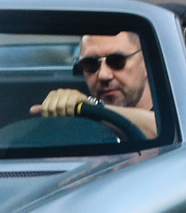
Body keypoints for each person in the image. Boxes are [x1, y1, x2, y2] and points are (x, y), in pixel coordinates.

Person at [30, 30, 159, 139]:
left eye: (117, 61)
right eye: (90, 64)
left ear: (148, 63)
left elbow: (164, 130)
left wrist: (92, 108)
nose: (103, 75)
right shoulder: (77, 129)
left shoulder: (174, 112)